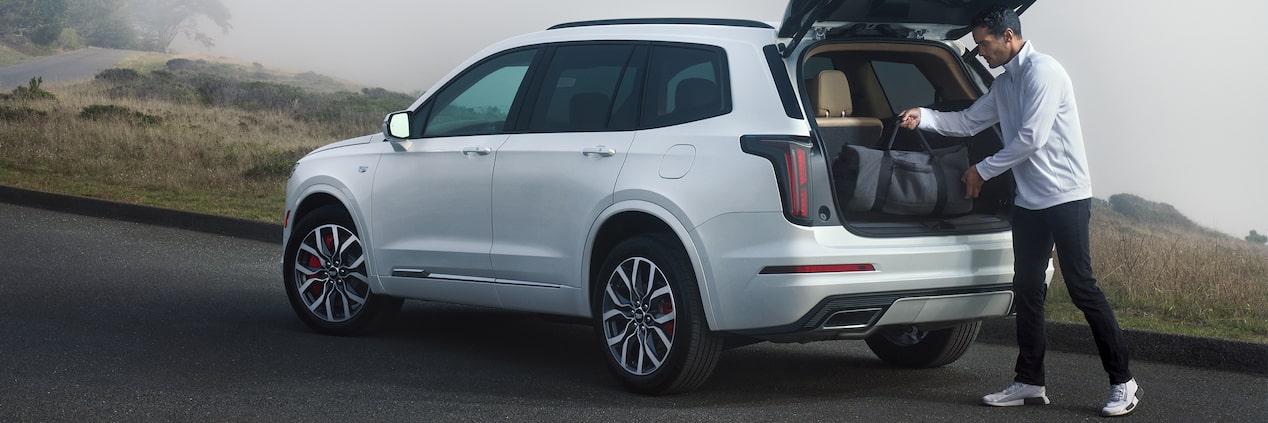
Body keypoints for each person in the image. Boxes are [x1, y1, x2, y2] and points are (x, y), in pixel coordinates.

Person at [897, 5, 1139, 417]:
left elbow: (1032, 138)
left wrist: (981, 171)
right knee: (1027, 291)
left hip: (1066, 198)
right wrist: (927, 117)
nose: (982, 54)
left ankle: (1124, 382)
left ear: (1008, 37)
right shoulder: (1006, 83)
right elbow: (970, 122)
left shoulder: (1044, 72)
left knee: (1082, 288)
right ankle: (1030, 381)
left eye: (985, 45)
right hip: (1030, 203)